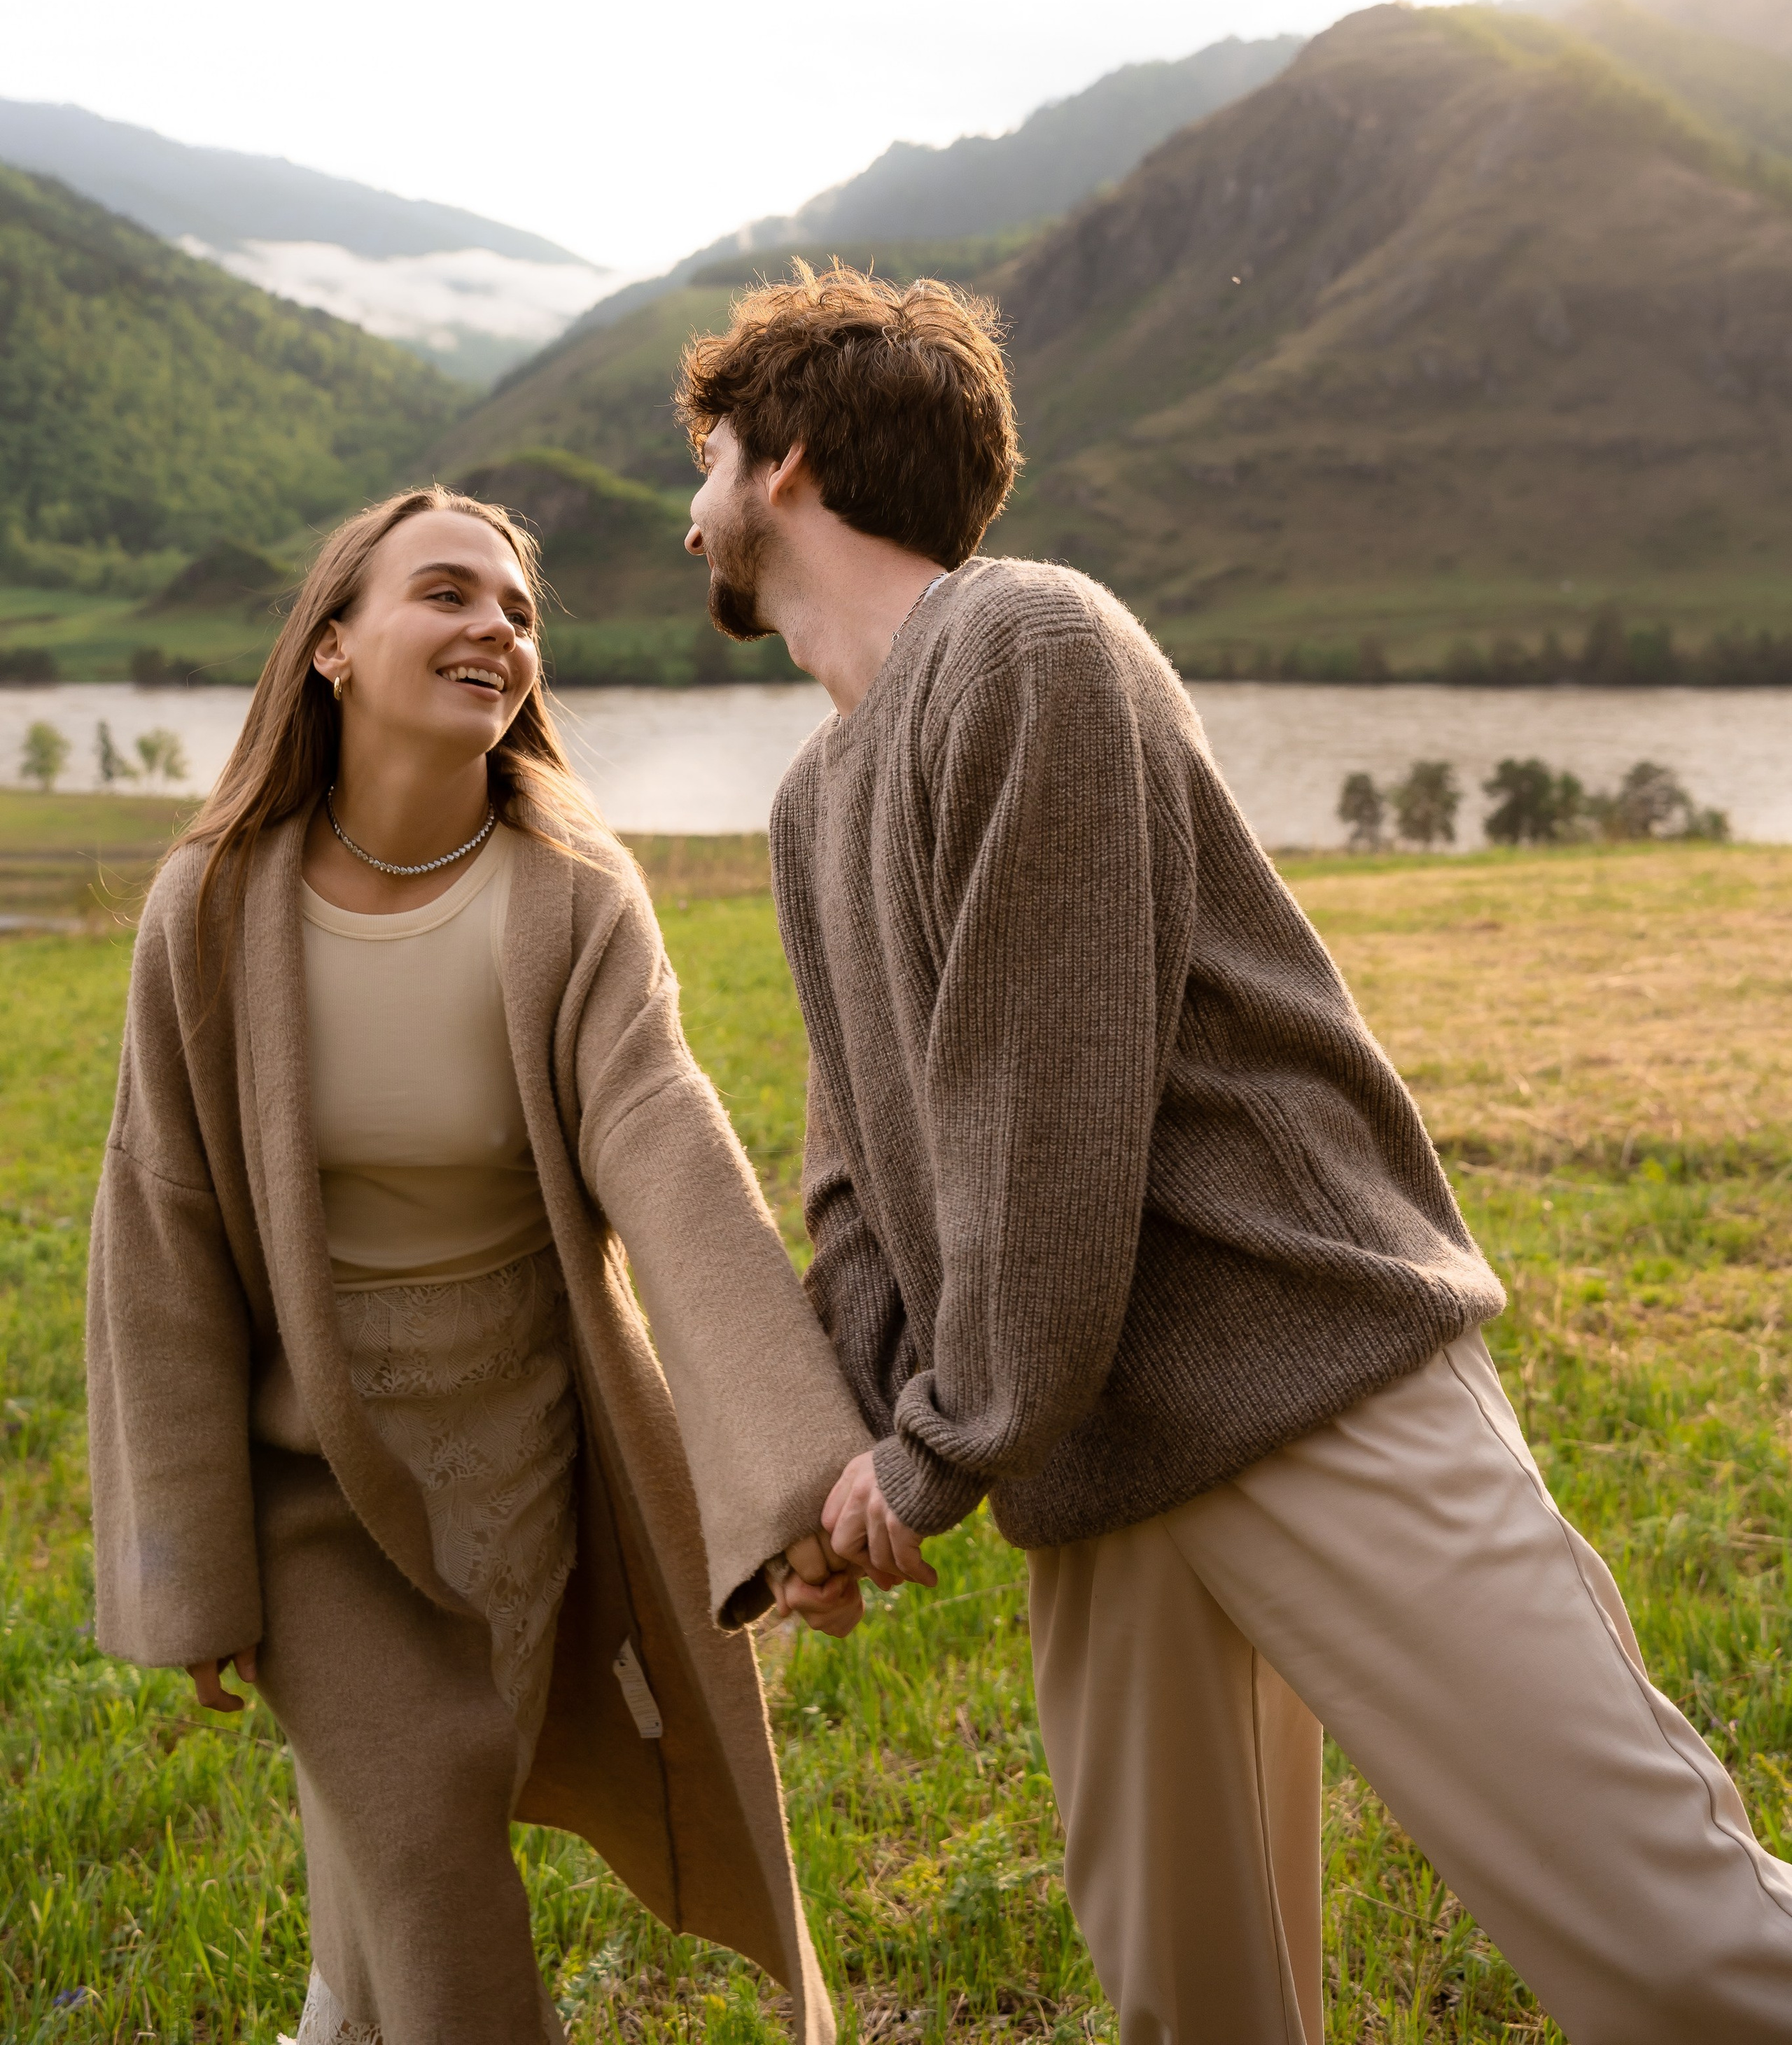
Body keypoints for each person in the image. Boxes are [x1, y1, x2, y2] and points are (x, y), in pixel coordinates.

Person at [678, 264, 1792, 2045]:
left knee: (1678, 1947)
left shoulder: (1024, 645)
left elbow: (1046, 1110)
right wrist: (856, 1451)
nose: (692, 512)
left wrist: (936, 1451)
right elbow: (859, 1178)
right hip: (1091, 1469)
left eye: (711, 459)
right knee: (1196, 2011)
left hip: (1304, 1377)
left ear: (791, 461)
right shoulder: (814, 804)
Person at [87, 484, 868, 2045]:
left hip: (519, 1464)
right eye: (445, 595)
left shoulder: (570, 901)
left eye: (516, 611)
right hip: (310, 1475)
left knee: (390, 1875)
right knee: (432, 1803)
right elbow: (159, 1232)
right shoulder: (213, 908)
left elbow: (675, 1166)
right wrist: (185, 1564)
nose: (495, 630)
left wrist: (798, 1475)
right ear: (330, 647)